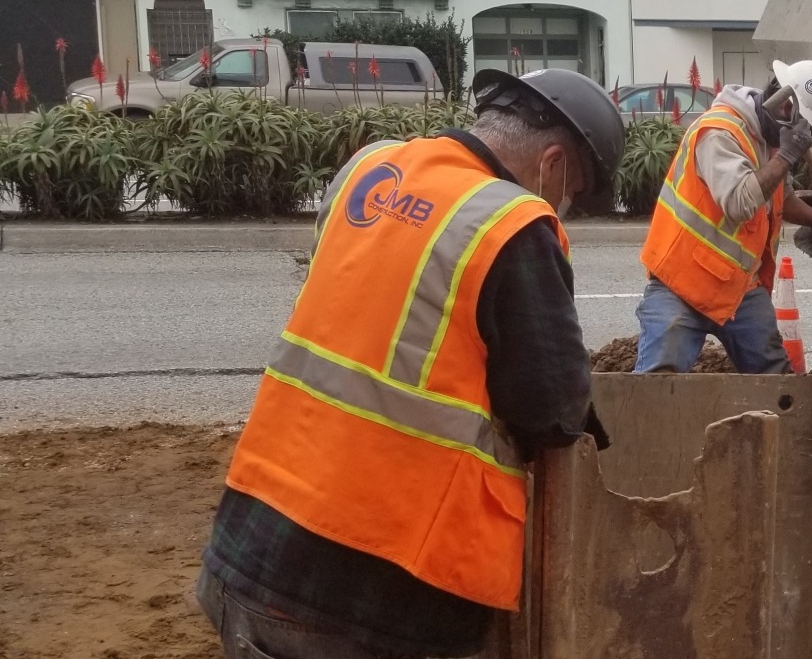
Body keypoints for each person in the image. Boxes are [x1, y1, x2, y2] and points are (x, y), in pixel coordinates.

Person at [196, 68, 625, 659]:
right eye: (572, 191)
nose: (563, 205)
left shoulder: (372, 170)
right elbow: (551, 409)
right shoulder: (510, 224)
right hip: (375, 600)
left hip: (248, 549)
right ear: (551, 164)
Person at [635, 60, 812, 374]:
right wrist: (786, 156)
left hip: (739, 288)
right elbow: (740, 202)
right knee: (659, 379)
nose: (805, 135)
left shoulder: (769, 138)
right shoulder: (720, 132)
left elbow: (782, 199)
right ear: (787, 105)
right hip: (682, 285)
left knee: (774, 377)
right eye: (805, 125)